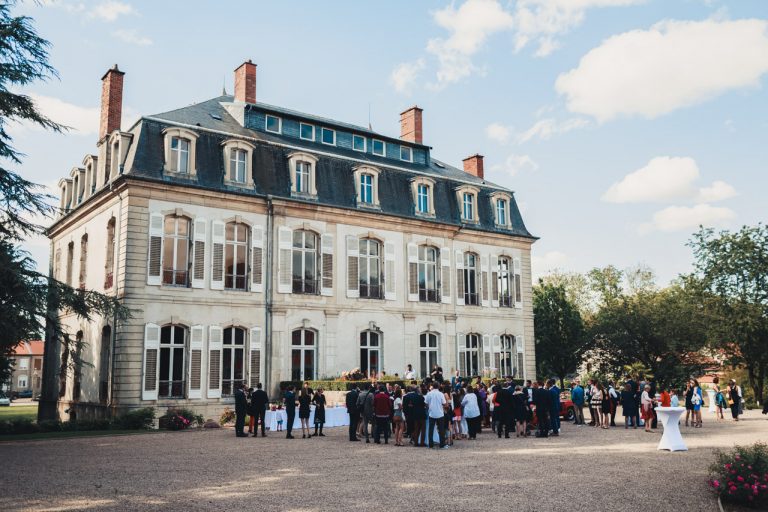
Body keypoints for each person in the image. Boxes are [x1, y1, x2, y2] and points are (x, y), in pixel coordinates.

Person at [425, 381, 447, 449]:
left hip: (431, 413)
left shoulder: (429, 394)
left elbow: (426, 403)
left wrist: (429, 407)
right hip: (440, 413)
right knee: (441, 430)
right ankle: (442, 444)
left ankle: (430, 444)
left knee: (430, 430)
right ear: (438, 386)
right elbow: (444, 403)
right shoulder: (441, 394)